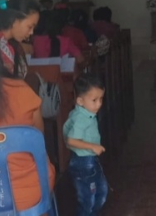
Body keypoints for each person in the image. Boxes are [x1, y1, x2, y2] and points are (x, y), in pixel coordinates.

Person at [0, 0, 55, 213]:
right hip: (29, 195)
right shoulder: (23, 93)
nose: (31, 33)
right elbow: (37, 140)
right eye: (30, 26)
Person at [64, 74, 109, 216]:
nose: (99, 104)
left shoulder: (86, 112)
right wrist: (92, 146)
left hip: (90, 160)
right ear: (80, 101)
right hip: (82, 163)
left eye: (101, 99)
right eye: (94, 100)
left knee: (101, 192)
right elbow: (71, 140)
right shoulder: (81, 118)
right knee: (87, 200)